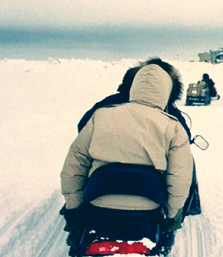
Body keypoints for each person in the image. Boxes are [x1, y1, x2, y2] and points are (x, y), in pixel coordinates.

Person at [60, 63, 194, 237]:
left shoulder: (101, 115)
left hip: (98, 198)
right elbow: (180, 177)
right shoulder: (174, 127)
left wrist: (74, 206)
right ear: (167, 91)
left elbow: (74, 164)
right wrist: (171, 214)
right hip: (150, 205)